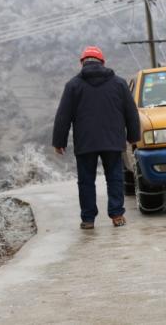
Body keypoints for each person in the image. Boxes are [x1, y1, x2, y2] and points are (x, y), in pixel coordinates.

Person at [52, 46, 140, 230]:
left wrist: (59, 142)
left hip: (86, 142)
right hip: (113, 141)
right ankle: (117, 215)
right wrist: (133, 137)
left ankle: (88, 219)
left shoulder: (73, 85)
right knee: (114, 178)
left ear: (82, 62)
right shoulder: (119, 83)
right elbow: (131, 112)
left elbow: (63, 115)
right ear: (103, 62)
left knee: (86, 181)